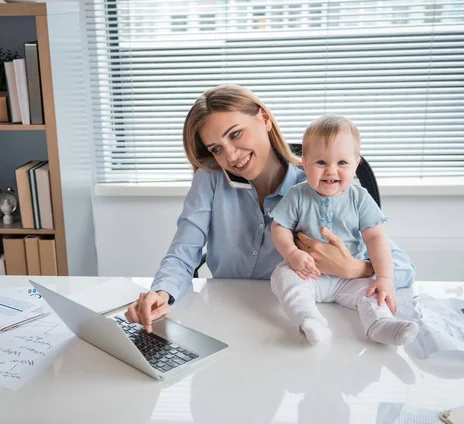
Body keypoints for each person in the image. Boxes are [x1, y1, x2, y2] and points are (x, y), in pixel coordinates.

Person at [124, 84, 415, 333]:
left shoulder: (318, 186)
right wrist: (161, 292)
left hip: (286, 319)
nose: (231, 155)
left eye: (236, 134)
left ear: (263, 118)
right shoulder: (210, 180)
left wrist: (353, 268)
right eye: (216, 148)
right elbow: (183, 251)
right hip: (226, 315)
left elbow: (404, 268)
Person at [269, 115, 419, 346]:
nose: (331, 171)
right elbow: (279, 227)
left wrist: (385, 278)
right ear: (305, 163)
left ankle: (380, 326)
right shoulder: (297, 195)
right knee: (282, 277)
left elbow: (376, 237)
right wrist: (292, 254)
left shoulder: (359, 198)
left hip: (350, 277)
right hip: (309, 274)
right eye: (321, 163)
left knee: (374, 291)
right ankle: (309, 320)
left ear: (355, 164)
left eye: (341, 163)